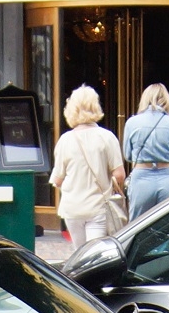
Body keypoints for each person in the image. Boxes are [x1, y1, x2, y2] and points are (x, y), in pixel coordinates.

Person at [49, 84, 125, 249]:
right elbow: (119, 175)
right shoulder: (107, 137)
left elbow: (57, 179)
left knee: (79, 254)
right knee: (94, 256)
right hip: (98, 207)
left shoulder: (65, 140)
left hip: (73, 208)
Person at [120, 84, 169, 220]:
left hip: (142, 176)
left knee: (137, 225)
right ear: (166, 100)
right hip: (167, 176)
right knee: (168, 225)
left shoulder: (132, 122)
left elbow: (127, 155)